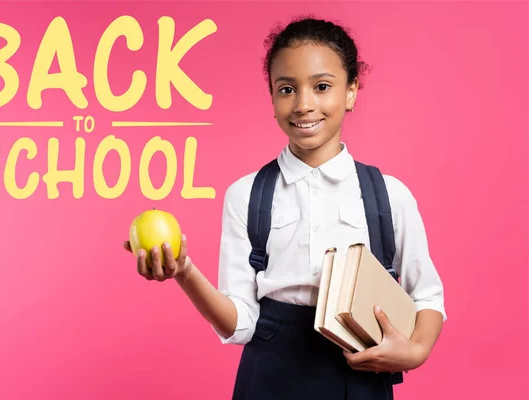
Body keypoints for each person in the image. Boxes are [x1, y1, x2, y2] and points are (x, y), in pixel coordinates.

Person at [123, 16, 446, 400]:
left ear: (351, 92)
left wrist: (415, 351)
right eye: (287, 89)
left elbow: (427, 297)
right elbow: (240, 324)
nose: (304, 104)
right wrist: (184, 272)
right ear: (273, 98)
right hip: (269, 377)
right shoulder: (245, 194)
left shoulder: (389, 195)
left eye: (322, 86)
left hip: (360, 375)